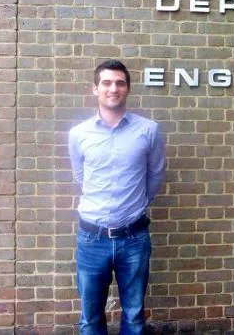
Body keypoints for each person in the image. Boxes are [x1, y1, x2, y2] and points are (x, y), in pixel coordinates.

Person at [68, 59, 166, 335]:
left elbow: (156, 175)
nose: (113, 88)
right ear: (95, 89)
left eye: (120, 83)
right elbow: (81, 176)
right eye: (107, 83)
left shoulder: (148, 130)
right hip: (91, 237)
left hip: (134, 237)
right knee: (90, 317)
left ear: (128, 89)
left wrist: (134, 205)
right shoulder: (78, 134)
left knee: (134, 317)